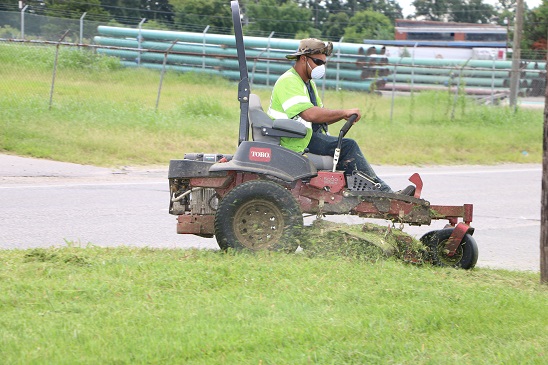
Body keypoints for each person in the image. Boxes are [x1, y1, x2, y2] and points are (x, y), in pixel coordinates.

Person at [267, 38, 412, 194]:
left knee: (342, 146)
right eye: (318, 62)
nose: (321, 67)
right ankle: (384, 194)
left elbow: (320, 115)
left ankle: (368, 192)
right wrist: (344, 113)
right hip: (294, 141)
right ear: (303, 59)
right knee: (348, 146)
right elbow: (310, 114)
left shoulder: (307, 83)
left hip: (303, 137)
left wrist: (342, 116)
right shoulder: (289, 81)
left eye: (323, 63)